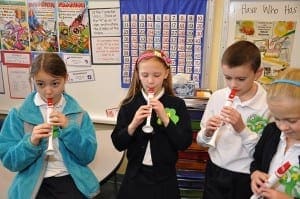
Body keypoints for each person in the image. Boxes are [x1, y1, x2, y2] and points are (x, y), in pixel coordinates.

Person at [0, 53, 100, 199]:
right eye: (40, 84)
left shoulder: (79, 114)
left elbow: (87, 156)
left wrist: (69, 128)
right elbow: (10, 162)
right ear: (33, 80)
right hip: (32, 183)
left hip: (70, 177)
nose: (48, 91)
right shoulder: (18, 114)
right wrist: (31, 142)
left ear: (65, 78)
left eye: (55, 83)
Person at [111, 49, 193, 199]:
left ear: (166, 74)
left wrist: (165, 119)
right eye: (145, 75)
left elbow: (184, 143)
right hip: (135, 176)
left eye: (156, 75)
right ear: (138, 74)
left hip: (165, 178)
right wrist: (133, 124)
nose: (150, 81)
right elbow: (118, 143)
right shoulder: (129, 104)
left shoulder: (177, 104)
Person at [196, 40, 271, 199]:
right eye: (228, 78)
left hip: (247, 176)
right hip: (215, 171)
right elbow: (202, 142)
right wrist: (208, 132)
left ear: (258, 73)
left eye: (241, 79)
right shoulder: (217, 97)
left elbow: (264, 154)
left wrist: (242, 129)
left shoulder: (269, 104)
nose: (233, 85)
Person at [250, 67, 300, 199]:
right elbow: (257, 161)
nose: (282, 127)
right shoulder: (272, 131)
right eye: (277, 118)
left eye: (292, 120)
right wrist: (255, 174)